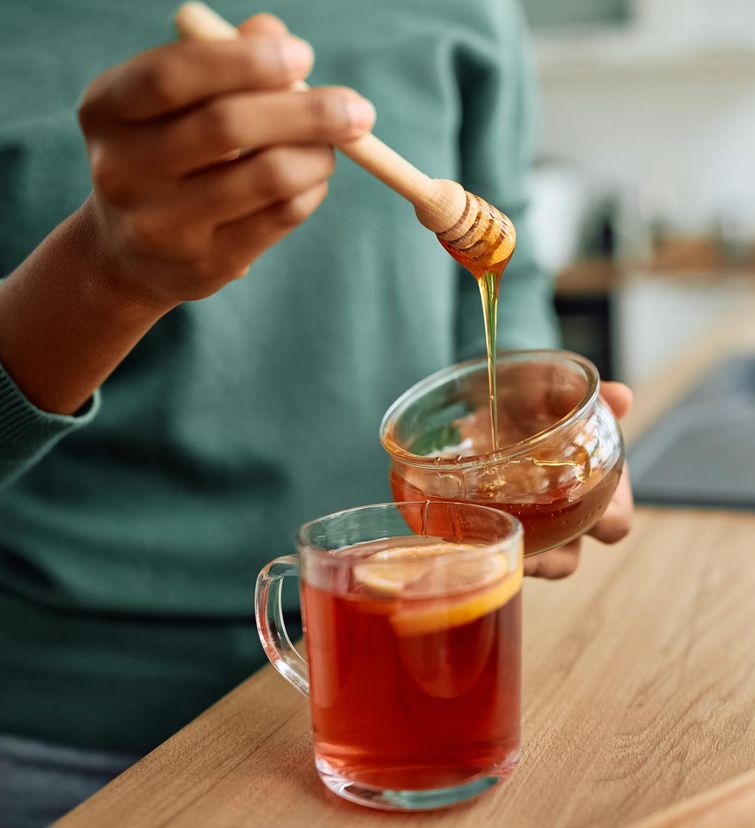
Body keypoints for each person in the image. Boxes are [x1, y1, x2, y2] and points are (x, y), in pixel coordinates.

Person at [0, 2, 633, 824]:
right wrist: (110, 271)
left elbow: (507, 256)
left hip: (415, 674)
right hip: (59, 724)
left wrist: (523, 425)